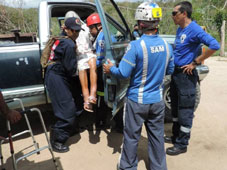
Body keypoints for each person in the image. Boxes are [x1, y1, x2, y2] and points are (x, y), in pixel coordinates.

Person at [103, 2, 174, 170]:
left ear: (141, 23)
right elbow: (169, 69)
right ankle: (159, 167)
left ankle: (127, 167)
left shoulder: (135, 46)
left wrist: (110, 69)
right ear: (157, 22)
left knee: (131, 137)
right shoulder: (166, 46)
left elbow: (123, 73)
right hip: (157, 101)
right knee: (156, 137)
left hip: (137, 102)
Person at [165, 1, 220, 156]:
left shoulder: (194, 29)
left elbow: (215, 45)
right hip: (176, 74)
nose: (172, 16)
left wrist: (195, 62)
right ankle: (176, 137)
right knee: (175, 108)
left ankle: (182, 144)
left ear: (184, 14)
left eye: (174, 13)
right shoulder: (180, 29)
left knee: (185, 110)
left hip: (186, 76)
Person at [45, 17, 83, 153]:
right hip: (57, 76)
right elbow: (71, 69)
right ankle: (57, 140)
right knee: (67, 110)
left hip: (56, 74)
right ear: (66, 29)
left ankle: (70, 129)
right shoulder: (69, 44)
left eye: (78, 31)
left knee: (78, 101)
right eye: (74, 31)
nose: (76, 33)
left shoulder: (62, 38)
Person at [62, 11, 97, 113]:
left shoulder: (85, 28)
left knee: (92, 64)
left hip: (89, 53)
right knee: (82, 70)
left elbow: (92, 37)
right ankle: (86, 100)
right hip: (79, 55)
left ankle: (93, 94)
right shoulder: (67, 32)